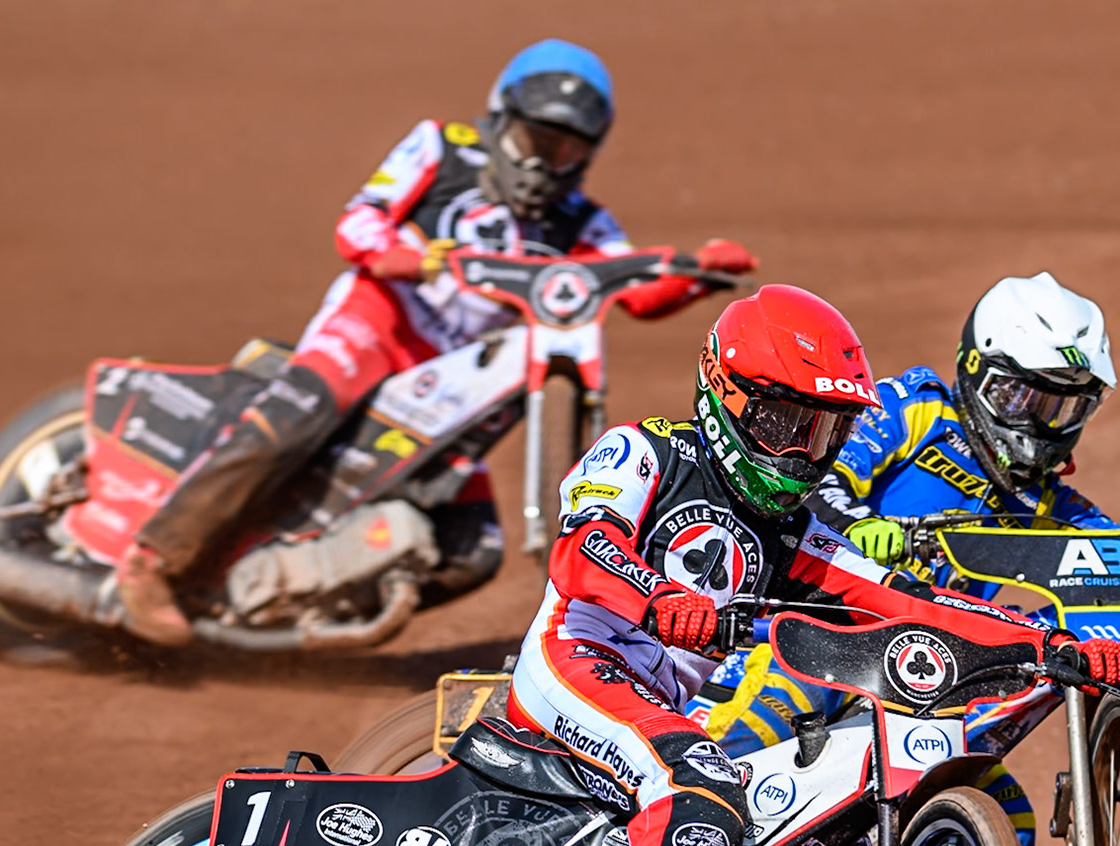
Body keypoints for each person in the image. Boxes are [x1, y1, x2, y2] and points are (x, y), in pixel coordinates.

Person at [505, 284, 1120, 846]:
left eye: (824, 433)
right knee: (701, 779)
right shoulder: (645, 453)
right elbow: (582, 550)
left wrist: (1051, 648)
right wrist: (656, 599)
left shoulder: (798, 532)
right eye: (784, 424)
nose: (802, 454)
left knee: (807, 820)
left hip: (661, 708)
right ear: (725, 394)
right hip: (578, 663)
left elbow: (914, 604)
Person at [116, 39, 758, 644]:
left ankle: (295, 595)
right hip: (379, 325)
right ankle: (152, 559)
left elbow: (630, 290)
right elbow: (359, 220)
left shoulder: (582, 220)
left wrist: (697, 274)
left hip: (455, 378)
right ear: (502, 119)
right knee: (300, 412)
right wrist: (405, 258)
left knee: (471, 546)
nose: (545, 164)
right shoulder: (440, 148)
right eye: (536, 141)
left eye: (566, 152)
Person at [697, 271, 1120, 846]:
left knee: (1008, 826)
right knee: (737, 750)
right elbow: (813, 483)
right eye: (1029, 398)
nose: (1043, 426)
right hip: (823, 633)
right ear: (978, 374)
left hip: (931, 680)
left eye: (1066, 409)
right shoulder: (914, 409)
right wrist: (863, 528)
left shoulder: (1051, 503)